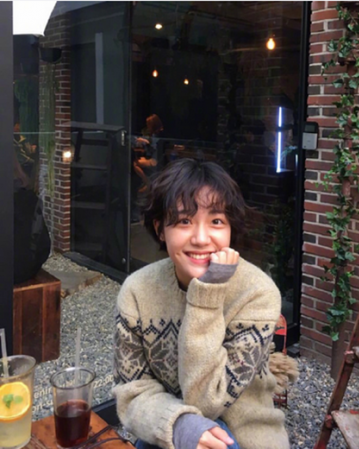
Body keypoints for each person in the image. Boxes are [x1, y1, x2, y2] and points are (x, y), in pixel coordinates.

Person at [113, 158, 290, 449]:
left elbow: (207, 402)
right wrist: (177, 424)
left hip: (247, 440)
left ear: (230, 229)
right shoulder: (137, 291)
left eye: (216, 221)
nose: (200, 238)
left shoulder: (257, 293)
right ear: (160, 229)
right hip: (167, 436)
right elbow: (131, 391)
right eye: (184, 221)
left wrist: (207, 294)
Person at [131, 114, 164, 223]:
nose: (147, 126)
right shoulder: (154, 133)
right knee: (139, 161)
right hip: (153, 158)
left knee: (136, 163)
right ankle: (146, 182)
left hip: (155, 160)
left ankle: (146, 182)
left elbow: (153, 145)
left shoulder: (157, 135)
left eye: (148, 124)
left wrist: (145, 141)